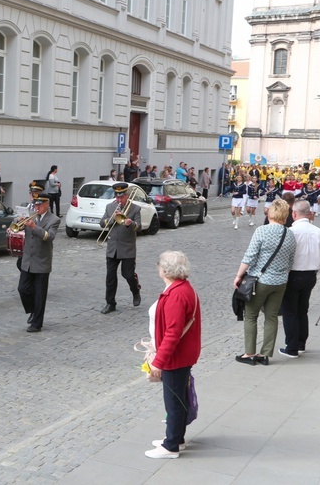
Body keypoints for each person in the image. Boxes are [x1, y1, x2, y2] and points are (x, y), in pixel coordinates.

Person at [144, 251, 201, 459]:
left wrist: (159, 361)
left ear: (165, 270)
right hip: (182, 354)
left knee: (174, 401)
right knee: (179, 398)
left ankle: (171, 446)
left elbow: (172, 333)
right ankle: (177, 438)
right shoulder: (183, 288)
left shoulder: (176, 294)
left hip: (176, 357)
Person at [233, 199, 296, 365]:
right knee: (271, 317)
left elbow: (250, 256)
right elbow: (290, 261)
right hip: (280, 282)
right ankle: (265, 354)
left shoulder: (261, 231)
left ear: (270, 213)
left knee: (251, 316)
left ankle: (249, 353)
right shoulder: (289, 233)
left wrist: (239, 275)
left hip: (260, 281)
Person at [278, 201, 320, 358]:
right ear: (309, 213)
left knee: (290, 311)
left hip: (292, 274)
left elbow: (283, 256)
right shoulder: (319, 232)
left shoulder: (289, 232)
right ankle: (301, 343)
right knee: (302, 310)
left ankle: (292, 346)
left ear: (294, 214)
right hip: (310, 275)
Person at [17, 192, 60, 332]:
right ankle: (33, 310)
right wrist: (19, 222)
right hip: (28, 260)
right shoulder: (31, 216)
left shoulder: (54, 219)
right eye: (36, 204)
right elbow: (17, 228)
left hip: (42, 261)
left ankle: (37, 324)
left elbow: (49, 237)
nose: (37, 207)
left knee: (40, 294)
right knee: (22, 289)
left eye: (40, 205)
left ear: (47, 204)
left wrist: (34, 227)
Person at [99, 182, 142, 314]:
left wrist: (131, 223)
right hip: (112, 247)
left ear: (126, 196)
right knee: (110, 277)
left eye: (121, 197)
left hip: (127, 247)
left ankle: (135, 291)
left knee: (128, 274)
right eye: (117, 197)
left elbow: (139, 226)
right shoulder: (110, 207)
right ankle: (110, 303)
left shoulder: (135, 208)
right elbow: (102, 223)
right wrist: (112, 218)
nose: (118, 200)